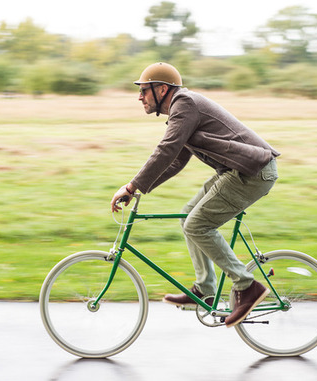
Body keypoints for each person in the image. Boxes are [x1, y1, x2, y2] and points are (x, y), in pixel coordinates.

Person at [110, 62, 280, 327]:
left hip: (252, 173)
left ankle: (247, 287)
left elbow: (166, 149)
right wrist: (141, 189)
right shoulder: (183, 108)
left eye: (144, 90)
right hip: (239, 172)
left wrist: (131, 186)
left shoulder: (184, 104)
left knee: (197, 225)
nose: (139, 97)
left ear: (162, 89)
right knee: (188, 216)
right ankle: (206, 291)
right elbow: (176, 160)